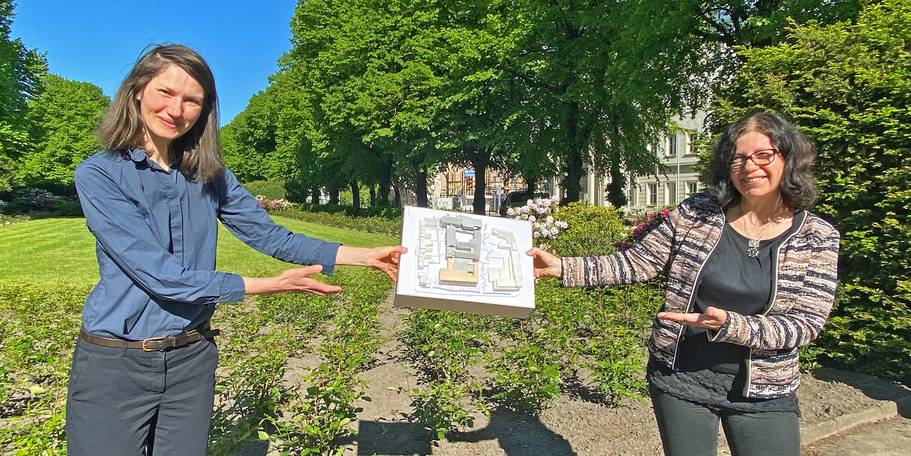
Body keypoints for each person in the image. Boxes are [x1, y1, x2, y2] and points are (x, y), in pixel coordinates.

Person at [65, 44, 406, 456]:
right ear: (138, 90)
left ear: (205, 110)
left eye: (193, 100)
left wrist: (363, 255)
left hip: (191, 358)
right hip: (116, 363)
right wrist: (268, 285)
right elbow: (160, 275)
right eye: (166, 93)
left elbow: (271, 236)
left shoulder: (211, 176)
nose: (177, 109)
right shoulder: (100, 175)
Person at [528, 111, 839, 456]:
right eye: (739, 158)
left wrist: (730, 326)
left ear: (788, 159)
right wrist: (562, 267)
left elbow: (805, 324)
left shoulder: (816, 236)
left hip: (764, 392)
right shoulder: (697, 213)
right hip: (681, 379)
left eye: (764, 155)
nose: (750, 166)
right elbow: (637, 261)